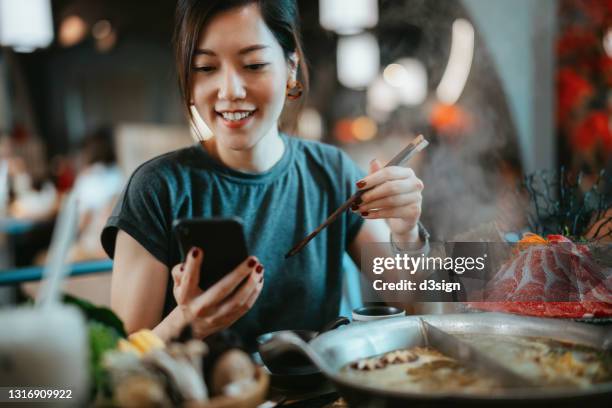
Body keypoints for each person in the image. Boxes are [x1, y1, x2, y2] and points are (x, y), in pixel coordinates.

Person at [102, 0, 425, 346]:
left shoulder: (332, 172)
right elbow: (120, 366)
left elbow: (414, 305)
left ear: (291, 69)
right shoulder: (156, 189)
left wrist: (407, 233)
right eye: (206, 68)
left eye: (253, 64)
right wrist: (186, 323)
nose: (230, 91)